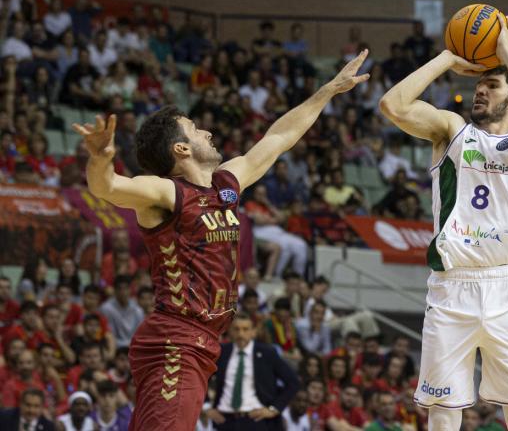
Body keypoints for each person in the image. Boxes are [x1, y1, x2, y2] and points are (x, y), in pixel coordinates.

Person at [72, 50, 370, 431]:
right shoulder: (167, 193)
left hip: (200, 341)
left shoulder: (225, 184)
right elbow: (110, 187)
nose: (207, 132)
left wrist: (328, 91)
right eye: (195, 129)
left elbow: (279, 137)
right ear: (180, 149)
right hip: (176, 341)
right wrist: (101, 157)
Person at [380, 14, 508, 430]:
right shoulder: (452, 131)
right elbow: (393, 105)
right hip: (451, 287)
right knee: (443, 411)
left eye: (491, 86)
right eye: (478, 85)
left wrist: (507, 51)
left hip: (507, 286)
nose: (479, 90)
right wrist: (446, 58)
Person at [210, 312, 300, 430]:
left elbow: (293, 382)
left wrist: (274, 409)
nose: (240, 334)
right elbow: (202, 378)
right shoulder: (221, 352)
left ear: (253, 332)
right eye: (236, 329)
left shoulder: (267, 353)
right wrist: (206, 407)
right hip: (225, 420)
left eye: (245, 329)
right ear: (230, 331)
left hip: (256, 420)